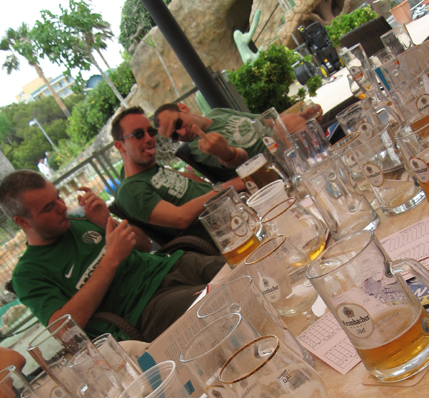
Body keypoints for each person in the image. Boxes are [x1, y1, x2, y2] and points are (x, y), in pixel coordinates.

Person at [0, 170, 226, 342]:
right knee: (222, 299)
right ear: (22, 221)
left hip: (169, 266)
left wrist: (106, 221)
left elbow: (144, 245)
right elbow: (65, 331)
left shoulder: (80, 219)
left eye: (58, 197)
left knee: (239, 267)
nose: (62, 207)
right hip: (141, 310)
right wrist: (111, 259)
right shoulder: (28, 274)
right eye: (49, 207)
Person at [112, 107, 244, 241]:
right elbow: (181, 218)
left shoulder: (149, 169)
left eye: (151, 132)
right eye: (138, 134)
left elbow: (191, 178)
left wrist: (223, 190)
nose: (149, 138)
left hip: (232, 208)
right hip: (224, 232)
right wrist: (224, 188)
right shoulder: (130, 190)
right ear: (120, 146)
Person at [154, 103, 316, 180]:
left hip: (284, 142)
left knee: (291, 120)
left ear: (184, 108)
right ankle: (310, 173)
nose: (182, 133)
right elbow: (239, 161)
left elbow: (266, 121)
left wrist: (303, 117)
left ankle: (312, 169)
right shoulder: (199, 147)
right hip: (271, 164)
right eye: (174, 136)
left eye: (178, 124)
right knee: (290, 122)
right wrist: (226, 153)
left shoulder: (216, 112)